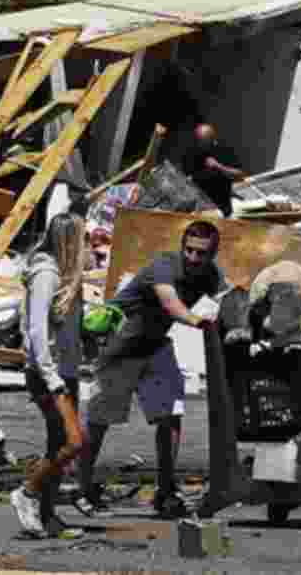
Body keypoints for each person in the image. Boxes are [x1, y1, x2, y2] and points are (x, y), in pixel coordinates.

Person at [76, 220, 227, 519]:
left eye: (202, 253)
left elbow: (226, 300)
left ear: (213, 254)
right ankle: (83, 487)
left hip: (156, 345)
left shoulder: (211, 274)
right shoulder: (164, 266)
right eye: (189, 250)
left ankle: (166, 491)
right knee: (100, 421)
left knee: (171, 416)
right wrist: (199, 322)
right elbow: (170, 304)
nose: (194, 258)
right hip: (120, 346)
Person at [11, 213, 87, 537]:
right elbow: (36, 330)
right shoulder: (46, 274)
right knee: (74, 441)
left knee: (58, 444)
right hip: (48, 374)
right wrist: (51, 375)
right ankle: (27, 491)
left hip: (65, 370)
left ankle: (48, 517)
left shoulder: (67, 276)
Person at [181, 123, 245, 218]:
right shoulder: (191, 153)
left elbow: (240, 175)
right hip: (199, 208)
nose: (199, 144)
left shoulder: (224, 150)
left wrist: (218, 166)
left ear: (211, 139)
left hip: (222, 208)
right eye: (197, 140)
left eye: (202, 141)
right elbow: (185, 179)